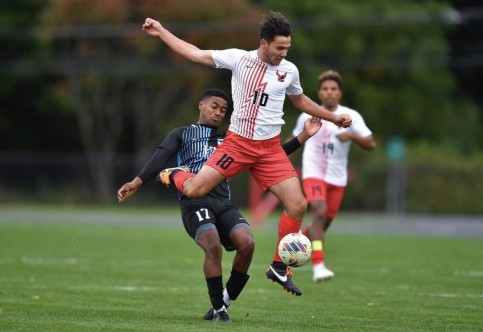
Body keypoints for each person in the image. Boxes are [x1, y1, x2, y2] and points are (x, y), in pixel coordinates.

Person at [142, 10, 352, 296]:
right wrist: (162, 32)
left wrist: (332, 118)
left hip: (269, 150)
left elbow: (299, 99)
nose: (284, 53)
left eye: (287, 48)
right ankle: (174, 174)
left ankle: (279, 267)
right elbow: (195, 54)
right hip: (238, 144)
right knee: (193, 189)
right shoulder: (239, 59)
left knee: (298, 205)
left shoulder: (289, 70)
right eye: (279, 48)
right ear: (263, 43)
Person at [117, 89, 322, 322]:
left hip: (222, 201)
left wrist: (303, 136)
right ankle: (219, 311)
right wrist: (136, 182)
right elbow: (158, 159)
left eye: (223, 110)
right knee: (213, 246)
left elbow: (270, 155)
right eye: (214, 106)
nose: (218, 113)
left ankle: (222, 304)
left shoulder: (231, 140)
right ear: (201, 105)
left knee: (248, 244)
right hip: (194, 202)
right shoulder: (181, 134)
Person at [291, 70, 376, 282]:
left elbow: (371, 143)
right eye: (325, 89)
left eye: (333, 89)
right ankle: (318, 266)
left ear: (339, 93)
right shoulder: (307, 114)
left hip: (337, 179)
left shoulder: (351, 116)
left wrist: (352, 135)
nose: (329, 93)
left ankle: (297, 240)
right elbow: (294, 140)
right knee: (319, 211)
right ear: (319, 93)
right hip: (313, 174)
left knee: (322, 222)